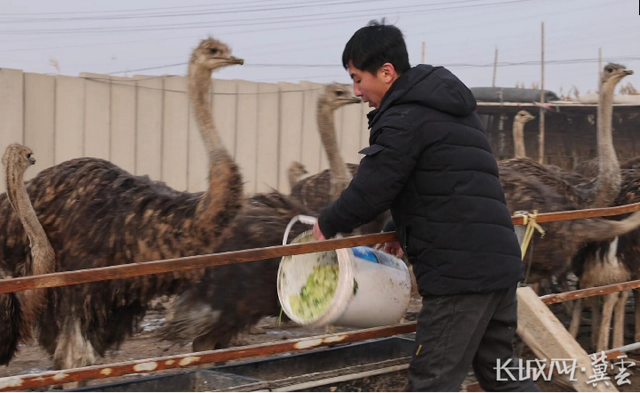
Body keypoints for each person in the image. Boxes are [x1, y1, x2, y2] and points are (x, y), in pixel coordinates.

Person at [312, 20, 541, 393]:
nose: (356, 91)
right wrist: (402, 228)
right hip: (496, 265)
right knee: (503, 376)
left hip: (460, 276)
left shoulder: (402, 117)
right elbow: (440, 183)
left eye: (357, 79)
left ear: (386, 72)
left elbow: (373, 186)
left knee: (431, 381)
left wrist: (326, 224)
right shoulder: (449, 107)